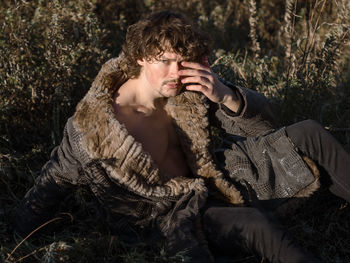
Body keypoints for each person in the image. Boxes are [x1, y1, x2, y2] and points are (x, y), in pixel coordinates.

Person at [15, 10, 350, 263]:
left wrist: (226, 95)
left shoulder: (187, 89)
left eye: (183, 62)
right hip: (171, 217)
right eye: (165, 61)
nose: (176, 73)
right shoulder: (89, 128)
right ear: (141, 58)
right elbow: (50, 186)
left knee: (309, 132)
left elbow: (264, 132)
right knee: (252, 223)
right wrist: (15, 240)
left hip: (218, 180)